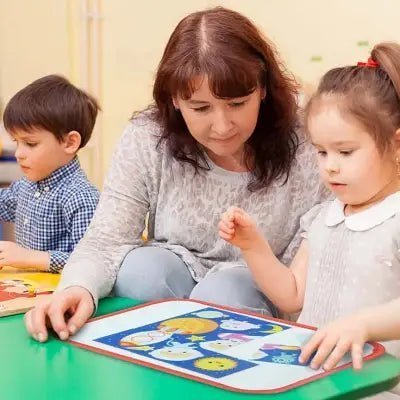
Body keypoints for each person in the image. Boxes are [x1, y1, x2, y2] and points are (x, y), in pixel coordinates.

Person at [25, 6, 328, 343]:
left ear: (263, 89)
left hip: (268, 288)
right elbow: (107, 240)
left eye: (238, 103)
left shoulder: (308, 135)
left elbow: (322, 242)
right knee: (142, 270)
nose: (223, 126)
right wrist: (76, 287)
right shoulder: (148, 136)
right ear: (175, 100)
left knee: (227, 294)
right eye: (200, 108)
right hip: (172, 278)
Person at [219, 43, 400, 396]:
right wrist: (253, 246)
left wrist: (363, 325)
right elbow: (292, 295)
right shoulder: (325, 215)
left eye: (345, 152)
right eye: (321, 151)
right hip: (314, 382)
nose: (330, 165)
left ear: (396, 146)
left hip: (379, 387)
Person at [0, 75, 100, 272]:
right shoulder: (26, 185)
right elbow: (4, 203)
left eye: (30, 144)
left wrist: (29, 258)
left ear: (70, 142)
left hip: (61, 293)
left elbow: (90, 261)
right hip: (27, 285)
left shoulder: (81, 197)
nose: (19, 153)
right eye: (16, 142)